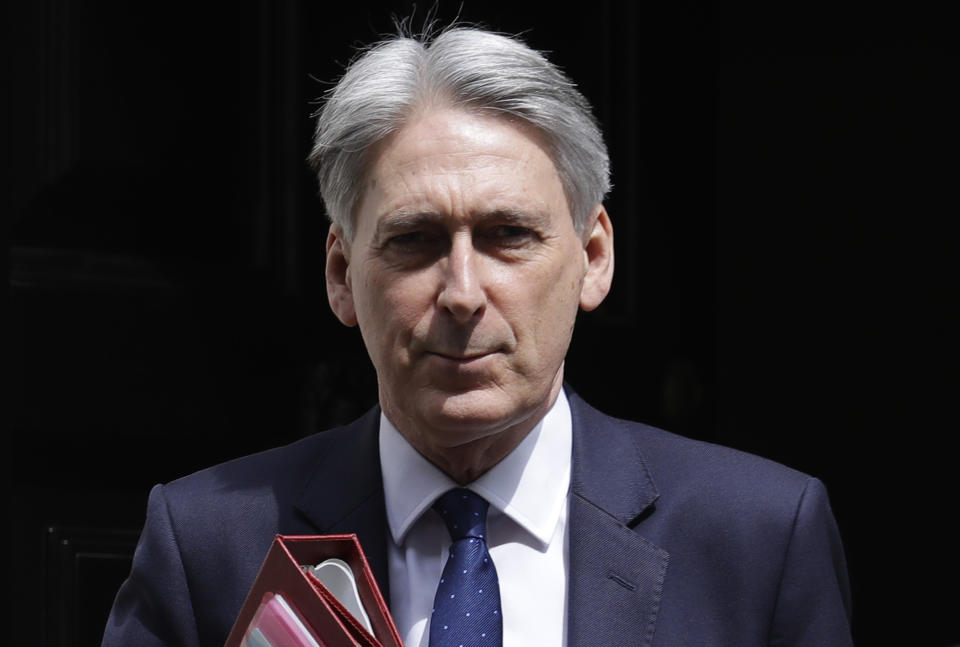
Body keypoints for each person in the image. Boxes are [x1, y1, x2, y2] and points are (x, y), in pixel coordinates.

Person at [102, 25, 853, 647]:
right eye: (415, 239)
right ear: (340, 274)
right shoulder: (208, 546)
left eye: (507, 235)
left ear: (594, 259)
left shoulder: (758, 540)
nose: (462, 292)